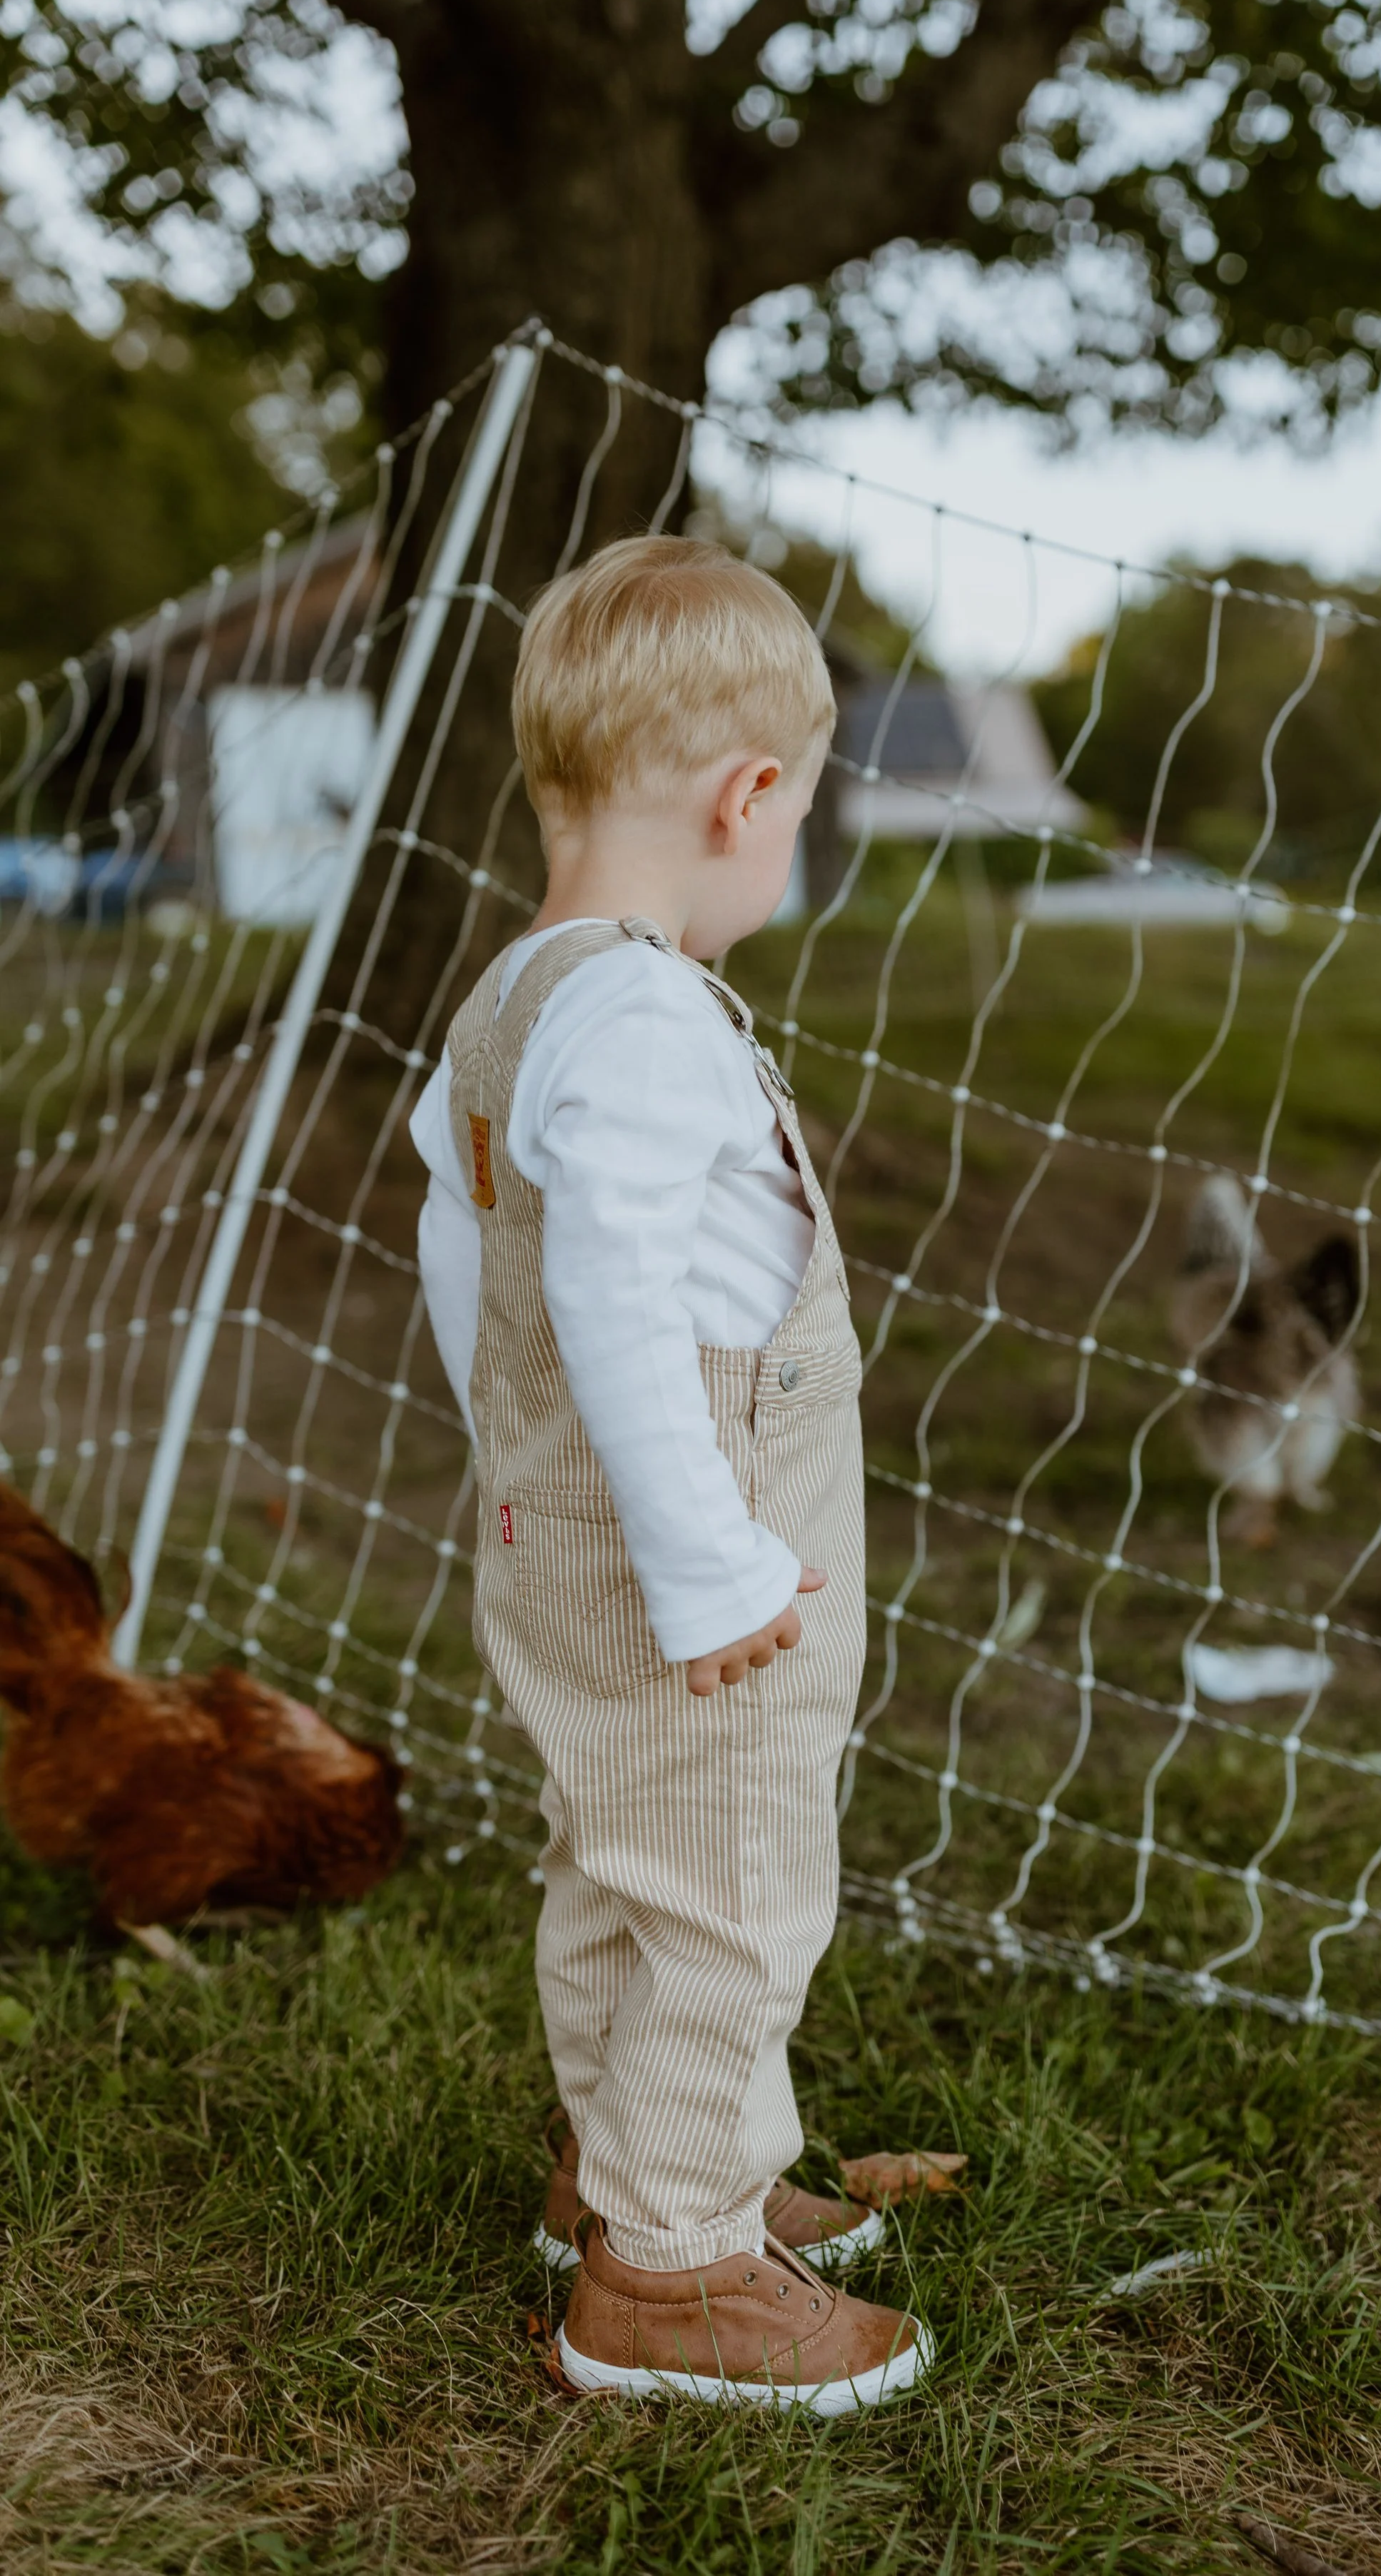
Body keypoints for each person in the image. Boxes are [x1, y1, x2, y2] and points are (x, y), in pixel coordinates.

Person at [409, 535, 929, 2413]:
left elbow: (468, 1246)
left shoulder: (518, 996)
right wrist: (706, 1562)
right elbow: (614, 1291)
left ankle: (619, 2155)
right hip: (691, 1550)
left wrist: (524, 1469)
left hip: (567, 1526)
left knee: (615, 1849)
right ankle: (672, 2258)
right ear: (750, 794)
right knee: (729, 1881)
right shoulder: (645, 1016)